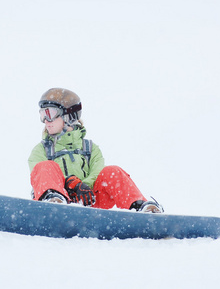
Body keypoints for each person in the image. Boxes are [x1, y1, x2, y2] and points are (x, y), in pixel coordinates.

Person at [28, 88, 163, 213]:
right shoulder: (42, 150)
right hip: (59, 197)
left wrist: (83, 187)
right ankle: (53, 201)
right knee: (45, 166)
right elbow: (39, 175)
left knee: (112, 171)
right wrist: (71, 184)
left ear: (68, 117)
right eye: (42, 114)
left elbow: (97, 171)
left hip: (88, 200)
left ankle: (139, 207)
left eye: (50, 114)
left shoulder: (90, 148)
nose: (45, 120)